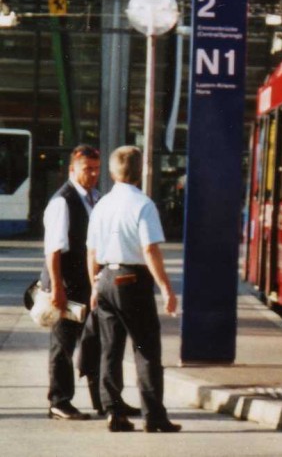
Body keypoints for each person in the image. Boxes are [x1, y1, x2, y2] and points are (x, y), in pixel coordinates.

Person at [86, 146, 181, 433]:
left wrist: (94, 284)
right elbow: (149, 249)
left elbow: (91, 250)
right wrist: (166, 287)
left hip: (104, 278)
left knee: (110, 349)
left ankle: (113, 410)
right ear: (140, 172)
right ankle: (154, 415)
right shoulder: (143, 204)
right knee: (145, 348)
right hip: (132, 281)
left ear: (113, 171)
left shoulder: (101, 204)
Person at [41, 145, 133, 420]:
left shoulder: (97, 198)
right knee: (63, 345)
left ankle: (107, 400)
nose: (92, 174)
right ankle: (59, 401)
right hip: (68, 286)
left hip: (92, 284)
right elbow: (53, 250)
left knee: (99, 344)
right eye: (86, 169)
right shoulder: (63, 201)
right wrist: (57, 286)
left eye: (96, 169)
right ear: (72, 170)